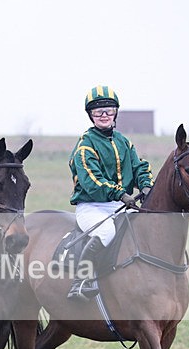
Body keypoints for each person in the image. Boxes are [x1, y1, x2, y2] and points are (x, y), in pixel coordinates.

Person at [66, 85, 153, 301]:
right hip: (92, 207)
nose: (104, 115)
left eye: (108, 110)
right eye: (98, 111)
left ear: (115, 112)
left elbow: (140, 166)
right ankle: (80, 282)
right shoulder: (85, 145)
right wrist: (121, 195)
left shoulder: (124, 141)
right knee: (105, 232)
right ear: (91, 115)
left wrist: (146, 185)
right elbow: (92, 181)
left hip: (120, 205)